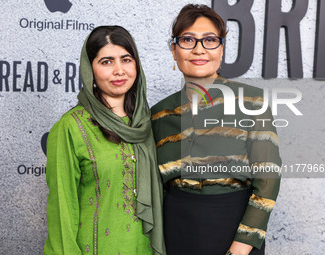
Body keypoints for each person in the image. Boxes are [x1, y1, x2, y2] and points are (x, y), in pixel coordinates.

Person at [151, 4, 281, 255]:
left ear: (221, 50)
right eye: (187, 40)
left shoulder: (252, 102)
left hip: (235, 232)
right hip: (175, 233)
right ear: (174, 50)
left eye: (210, 40)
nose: (199, 49)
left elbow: (268, 179)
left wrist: (241, 248)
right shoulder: (159, 114)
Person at [44, 26, 165, 255]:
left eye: (126, 60)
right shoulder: (71, 127)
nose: (119, 71)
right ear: (90, 69)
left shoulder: (147, 124)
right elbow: (62, 210)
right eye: (107, 62)